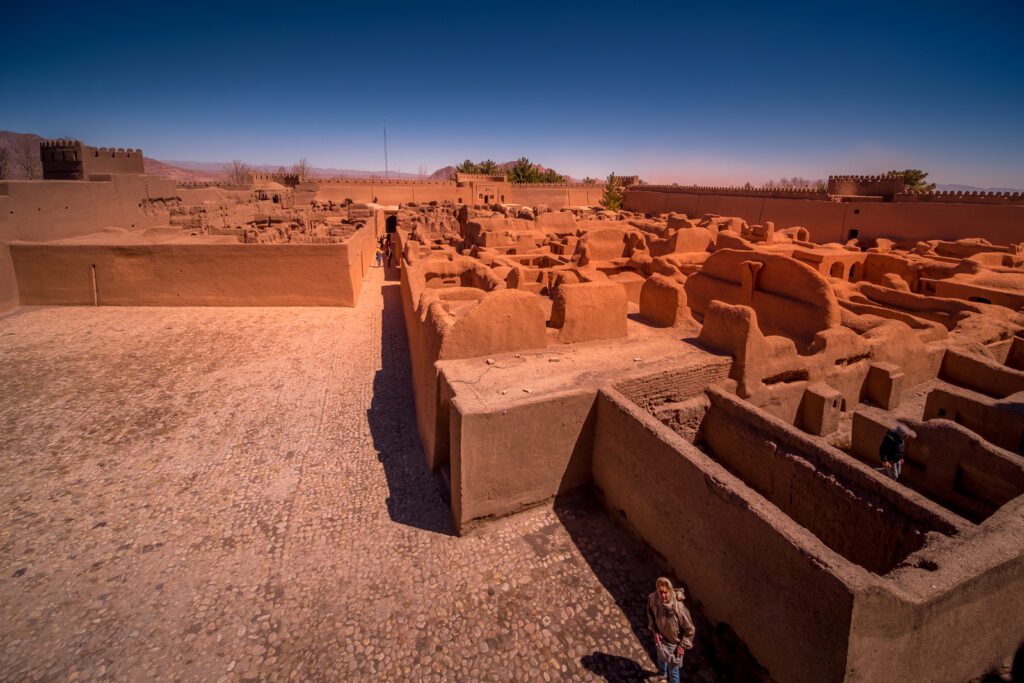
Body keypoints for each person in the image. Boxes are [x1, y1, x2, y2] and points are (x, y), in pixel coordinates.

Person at [646, 577, 695, 683]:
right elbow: (650, 613)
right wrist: (655, 631)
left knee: (673, 671)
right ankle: (662, 675)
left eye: (665, 592)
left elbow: (690, 630)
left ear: (670, 591)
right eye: (661, 592)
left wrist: (682, 646)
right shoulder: (653, 598)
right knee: (661, 659)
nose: (663, 596)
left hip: (674, 645)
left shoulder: (679, 609)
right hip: (660, 639)